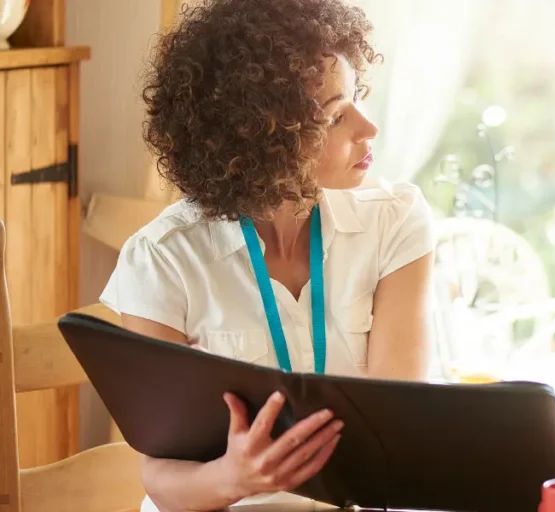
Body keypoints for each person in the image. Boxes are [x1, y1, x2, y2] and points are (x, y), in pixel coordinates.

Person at [99, 0, 435, 510]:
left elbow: (400, 427)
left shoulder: (395, 223)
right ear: (261, 136)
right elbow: (161, 479)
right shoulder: (162, 259)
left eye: (358, 97)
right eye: (336, 116)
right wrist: (234, 478)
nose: (368, 128)